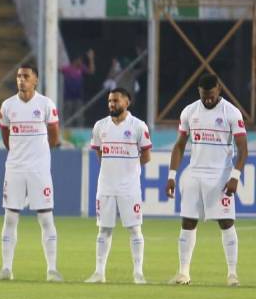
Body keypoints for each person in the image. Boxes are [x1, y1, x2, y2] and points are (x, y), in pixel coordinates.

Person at [165, 74, 248, 286]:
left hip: (220, 175)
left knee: (226, 222)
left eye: (211, 95)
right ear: (199, 92)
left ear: (219, 89)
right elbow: (180, 145)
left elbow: (242, 149)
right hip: (194, 174)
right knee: (187, 221)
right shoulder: (190, 111)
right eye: (204, 96)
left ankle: (232, 274)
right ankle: (184, 273)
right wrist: (172, 175)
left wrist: (235, 177)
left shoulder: (231, 112)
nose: (208, 100)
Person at [0, 64, 62, 282]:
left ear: (36, 80)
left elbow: (54, 136)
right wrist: (19, 154)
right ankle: (6, 269)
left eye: (26, 76)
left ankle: (51, 269)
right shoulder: (7, 106)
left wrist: (39, 155)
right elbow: (6, 137)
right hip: (15, 168)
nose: (21, 80)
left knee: (45, 218)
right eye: (19, 76)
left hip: (39, 170)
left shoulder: (45, 104)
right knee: (10, 217)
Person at [85, 88, 151, 284]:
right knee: (104, 229)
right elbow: (99, 152)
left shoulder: (138, 126)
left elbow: (146, 156)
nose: (112, 104)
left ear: (126, 102)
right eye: (109, 101)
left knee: (134, 229)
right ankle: (99, 273)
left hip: (129, 187)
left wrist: (129, 171)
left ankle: (138, 273)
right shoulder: (100, 126)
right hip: (105, 186)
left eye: (115, 101)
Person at [60, 49, 95, 126]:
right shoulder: (67, 68)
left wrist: (91, 58)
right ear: (75, 60)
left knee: (79, 115)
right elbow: (58, 69)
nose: (81, 62)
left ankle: (80, 129)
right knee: (67, 114)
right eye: (79, 60)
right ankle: (66, 128)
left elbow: (91, 71)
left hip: (78, 96)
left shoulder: (81, 68)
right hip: (68, 96)